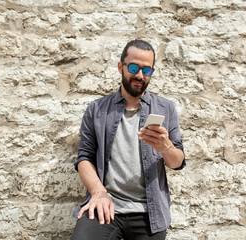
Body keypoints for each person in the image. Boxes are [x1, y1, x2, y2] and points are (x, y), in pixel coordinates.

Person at [71, 39, 186, 240]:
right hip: (105, 207)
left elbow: (177, 163)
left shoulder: (165, 109)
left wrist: (166, 147)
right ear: (120, 67)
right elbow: (84, 158)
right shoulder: (97, 109)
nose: (140, 75)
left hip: (149, 212)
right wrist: (98, 192)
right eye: (133, 67)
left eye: (147, 70)